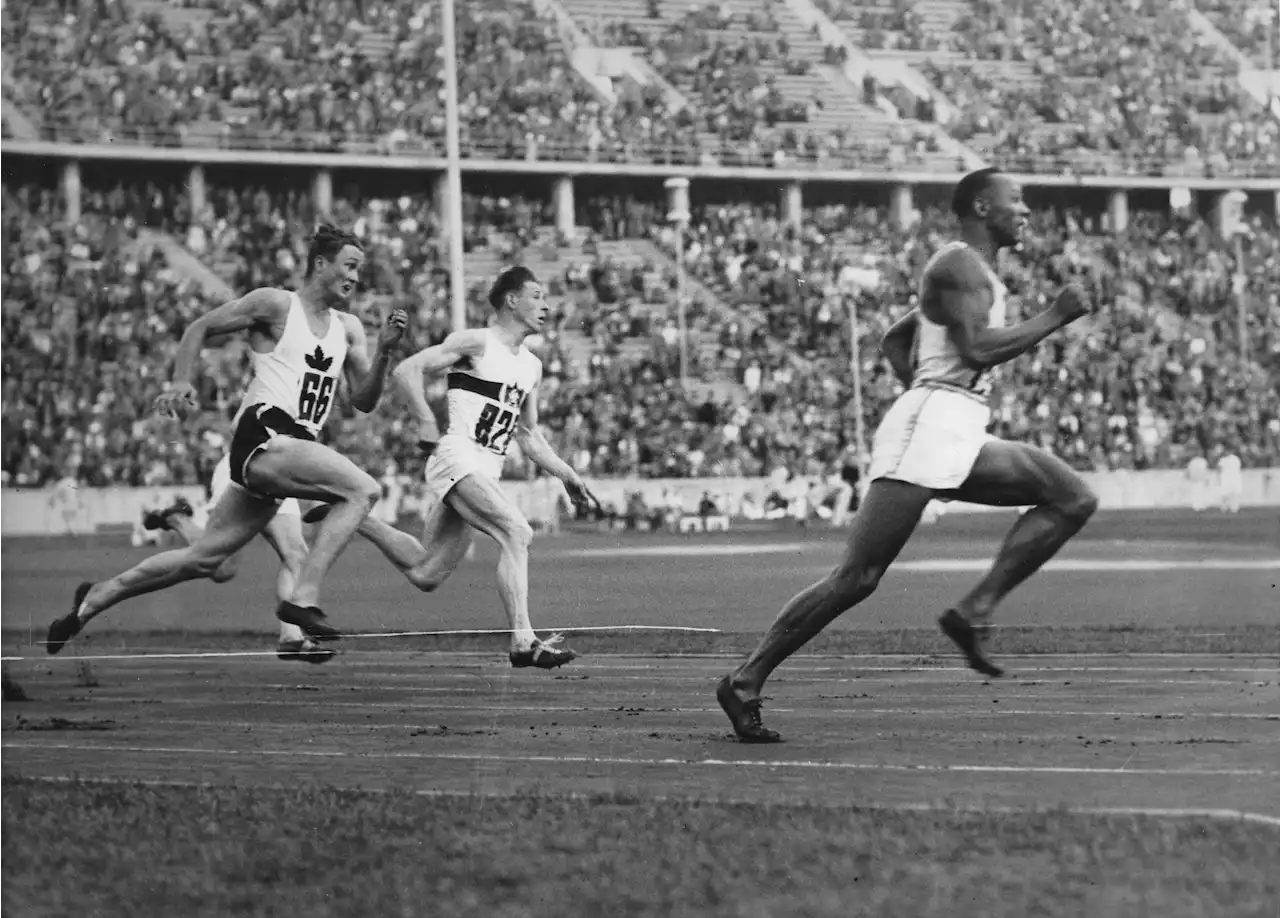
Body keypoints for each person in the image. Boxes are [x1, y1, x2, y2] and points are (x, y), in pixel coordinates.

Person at [716, 168, 1099, 743]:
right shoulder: (958, 264)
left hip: (951, 419)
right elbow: (974, 348)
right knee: (856, 577)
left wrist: (925, 393)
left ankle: (973, 611)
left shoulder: (974, 271)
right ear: (980, 205)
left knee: (1072, 496)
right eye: (1014, 200)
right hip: (937, 420)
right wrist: (1054, 316)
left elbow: (896, 340)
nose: (1025, 210)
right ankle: (745, 681)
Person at [46, 224, 408, 654]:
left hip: (288, 457)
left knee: (202, 560)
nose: (355, 277)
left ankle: (87, 605)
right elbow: (200, 327)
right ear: (320, 264)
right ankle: (302, 601)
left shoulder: (348, 329)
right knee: (363, 490)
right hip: (264, 436)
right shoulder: (275, 305)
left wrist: (385, 352)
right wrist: (181, 380)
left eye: (360, 270)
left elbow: (363, 401)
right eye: (349, 266)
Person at [304, 267, 600, 668]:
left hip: (484, 470)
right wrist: (425, 418)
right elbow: (407, 370)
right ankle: (523, 641)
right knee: (517, 531)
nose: (545, 305)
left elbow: (527, 434)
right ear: (511, 301)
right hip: (458, 457)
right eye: (536, 295)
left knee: (426, 573)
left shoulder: (531, 366)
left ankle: (356, 516)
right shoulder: (476, 343)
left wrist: (567, 473)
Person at [139, 461, 332, 664]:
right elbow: (235, 428)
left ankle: (291, 637)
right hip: (245, 468)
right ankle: (176, 518)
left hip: (280, 474)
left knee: (296, 554)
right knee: (222, 568)